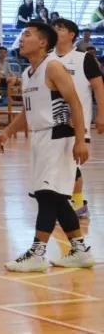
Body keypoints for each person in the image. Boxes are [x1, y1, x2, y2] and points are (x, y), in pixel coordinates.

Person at [0, 22, 92, 271]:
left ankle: (37, 253)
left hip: (59, 135)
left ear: (42, 42)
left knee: (47, 196)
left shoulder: (53, 67)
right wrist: (8, 131)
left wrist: (80, 140)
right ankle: (80, 250)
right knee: (57, 198)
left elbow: (75, 103)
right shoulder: (28, 73)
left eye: (27, 35)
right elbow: (28, 111)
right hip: (40, 138)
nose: (21, 39)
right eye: (21, 34)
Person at [52, 18, 104, 220]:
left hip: (77, 123)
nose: (55, 31)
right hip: (51, 123)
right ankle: (73, 203)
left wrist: (101, 114)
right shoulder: (47, 59)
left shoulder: (84, 59)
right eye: (53, 28)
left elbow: (99, 87)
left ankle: (78, 204)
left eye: (60, 28)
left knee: (72, 165)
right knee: (59, 167)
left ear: (72, 34)